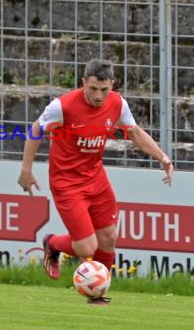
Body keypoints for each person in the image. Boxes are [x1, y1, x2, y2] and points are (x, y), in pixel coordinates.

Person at [17, 59, 173, 305]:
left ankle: (98, 293)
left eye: (104, 89)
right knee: (87, 247)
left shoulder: (118, 103)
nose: (99, 96)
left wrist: (161, 156)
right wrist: (26, 170)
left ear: (112, 84)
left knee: (108, 238)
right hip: (66, 182)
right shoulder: (63, 106)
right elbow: (36, 129)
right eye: (93, 89)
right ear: (83, 83)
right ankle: (52, 243)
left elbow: (134, 132)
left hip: (96, 178)